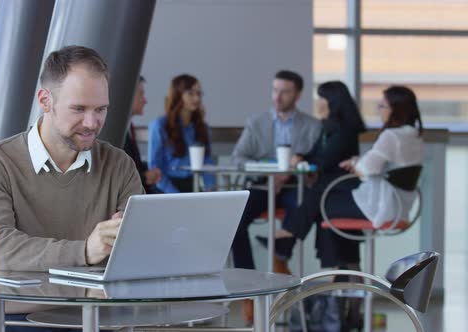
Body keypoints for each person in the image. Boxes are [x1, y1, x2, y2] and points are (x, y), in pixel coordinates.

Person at [0, 46, 144, 332]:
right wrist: (85, 251)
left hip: (98, 313)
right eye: (79, 109)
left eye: (101, 110)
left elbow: (136, 248)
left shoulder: (119, 164)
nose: (91, 123)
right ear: (45, 100)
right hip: (18, 315)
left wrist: (128, 239)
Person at [230, 70, 321, 323]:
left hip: (295, 188)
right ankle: (248, 290)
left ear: (298, 95)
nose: (278, 97)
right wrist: (272, 170)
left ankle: (280, 259)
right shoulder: (256, 122)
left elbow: (317, 166)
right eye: (275, 90)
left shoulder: (312, 126)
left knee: (300, 211)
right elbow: (238, 159)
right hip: (262, 187)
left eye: (285, 92)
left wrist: (292, 171)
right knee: (236, 220)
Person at [256, 81, 366, 269]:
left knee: (317, 195)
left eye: (321, 98)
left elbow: (325, 160)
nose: (317, 103)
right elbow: (316, 155)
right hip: (328, 188)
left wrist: (303, 161)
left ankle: (287, 237)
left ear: (332, 102)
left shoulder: (345, 130)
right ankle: (286, 242)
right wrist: (301, 157)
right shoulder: (329, 128)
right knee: (316, 195)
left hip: (341, 189)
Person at [148, 74, 215, 193]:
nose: (196, 99)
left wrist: (209, 189)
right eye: (191, 93)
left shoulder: (202, 127)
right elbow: (155, 167)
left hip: (192, 184)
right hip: (166, 187)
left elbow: (207, 161)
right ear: (178, 95)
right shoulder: (159, 126)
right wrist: (175, 194)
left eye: (199, 93)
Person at [123, 75, 163, 194]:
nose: (145, 101)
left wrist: (148, 172)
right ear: (128, 96)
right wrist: (145, 177)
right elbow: (119, 174)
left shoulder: (129, 126)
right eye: (141, 94)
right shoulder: (117, 131)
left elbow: (133, 164)